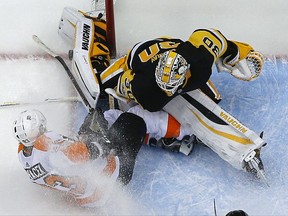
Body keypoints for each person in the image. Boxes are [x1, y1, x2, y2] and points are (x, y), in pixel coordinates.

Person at [99, 28, 264, 112]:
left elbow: (214, 37)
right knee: (102, 85)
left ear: (186, 72)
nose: (168, 93)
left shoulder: (200, 63)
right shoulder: (143, 88)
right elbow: (121, 85)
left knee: (214, 101)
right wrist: (119, 93)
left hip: (171, 45)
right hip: (137, 55)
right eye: (165, 88)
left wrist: (236, 55)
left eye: (171, 88)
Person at [14, 109, 146, 208]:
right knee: (132, 121)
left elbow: (63, 162)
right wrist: (102, 144)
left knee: (98, 122)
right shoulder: (46, 142)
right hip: (114, 175)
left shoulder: (24, 157)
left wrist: (85, 136)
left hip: (89, 198)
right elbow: (80, 155)